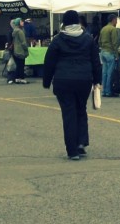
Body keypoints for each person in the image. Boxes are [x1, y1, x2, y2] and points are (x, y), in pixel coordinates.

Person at [43, 10, 101, 159]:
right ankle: (81, 143)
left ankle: (72, 150)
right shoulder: (88, 39)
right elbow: (96, 61)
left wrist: (46, 81)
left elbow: (49, 62)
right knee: (81, 110)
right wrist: (97, 80)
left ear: (64, 23)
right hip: (84, 80)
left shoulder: (58, 39)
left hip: (63, 80)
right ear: (78, 22)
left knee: (69, 114)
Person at [9, 17, 29, 85]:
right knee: (21, 65)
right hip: (21, 51)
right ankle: (22, 79)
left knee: (18, 65)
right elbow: (23, 42)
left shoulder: (14, 31)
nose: (23, 22)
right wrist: (26, 49)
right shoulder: (20, 31)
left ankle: (17, 79)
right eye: (21, 21)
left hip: (15, 50)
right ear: (18, 23)